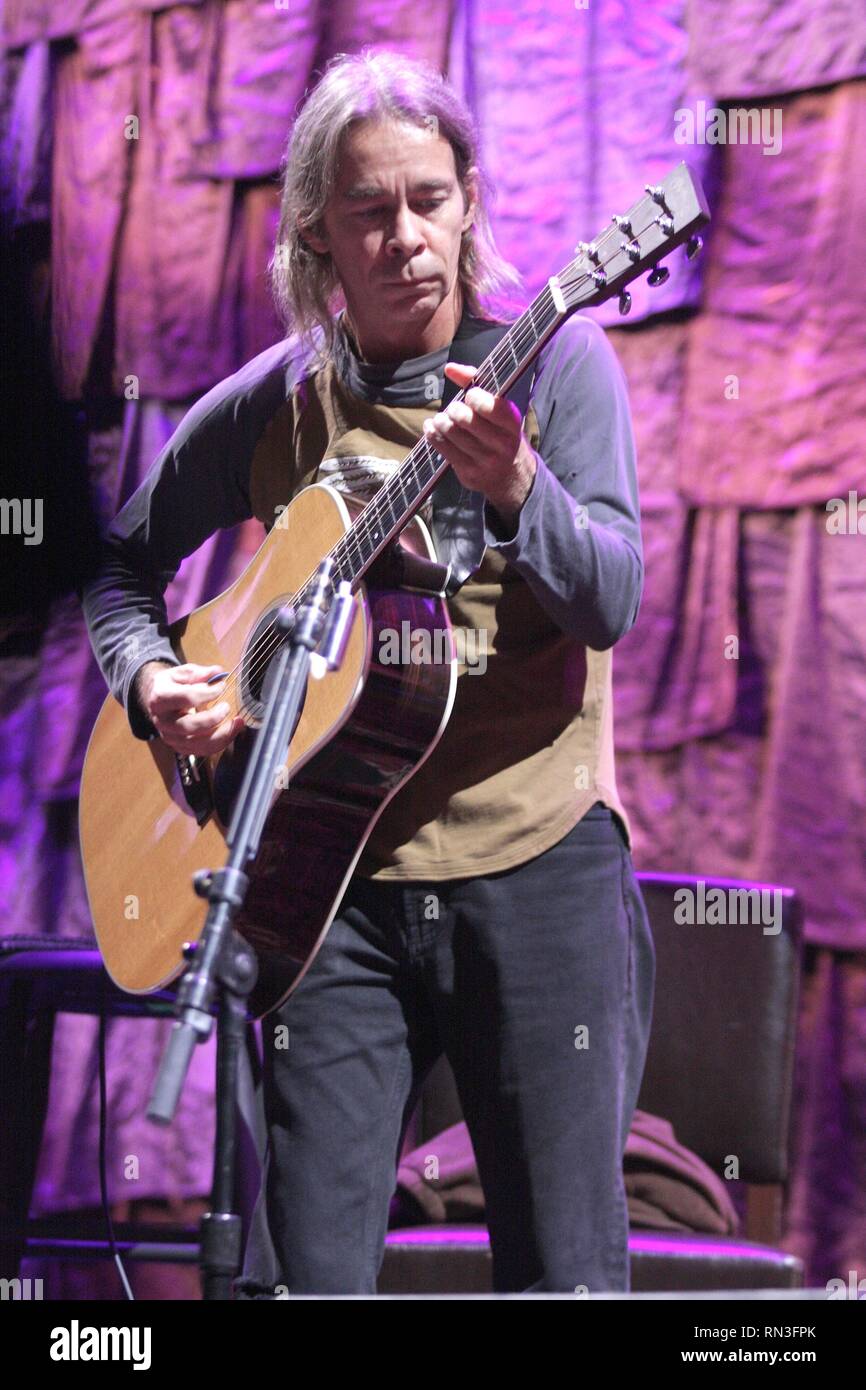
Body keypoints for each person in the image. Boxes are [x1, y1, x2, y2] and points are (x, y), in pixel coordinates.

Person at [82, 48, 655, 1296]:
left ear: (467, 204)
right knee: (306, 1274)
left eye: (430, 200)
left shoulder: (557, 368)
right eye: (369, 210)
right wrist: (148, 685)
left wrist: (515, 489)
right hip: (322, 889)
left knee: (564, 1273)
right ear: (315, 240)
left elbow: (608, 597)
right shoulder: (277, 403)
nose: (406, 238)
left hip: (532, 865)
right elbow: (115, 566)